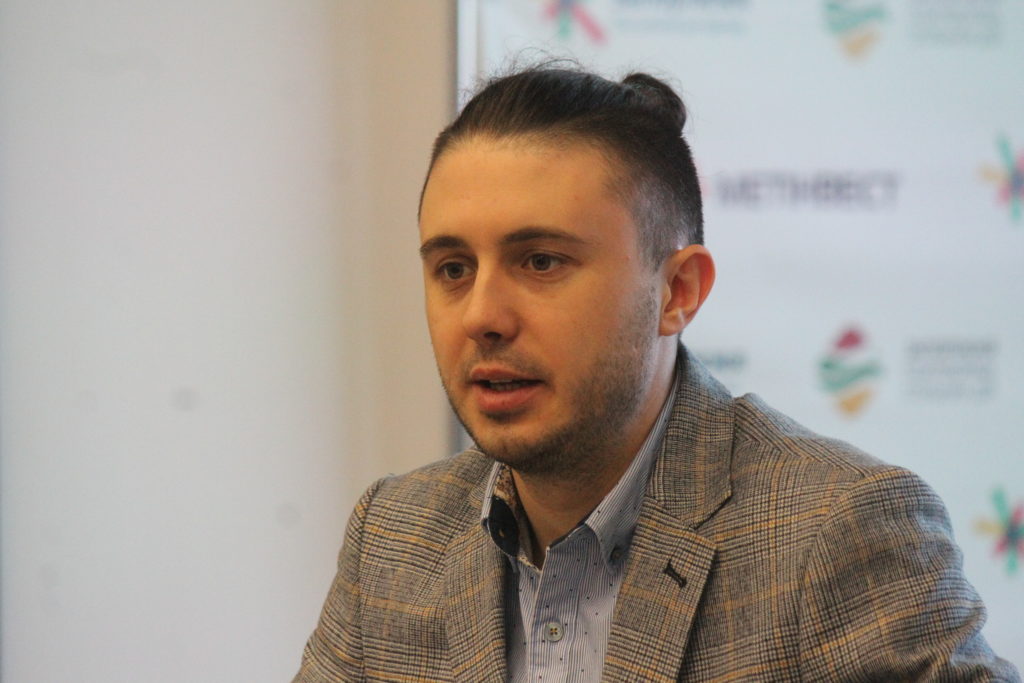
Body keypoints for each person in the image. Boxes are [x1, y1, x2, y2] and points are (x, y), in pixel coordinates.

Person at [294, 66, 1019, 682]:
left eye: (540, 261)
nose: (482, 314)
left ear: (677, 291)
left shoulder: (837, 531)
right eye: (454, 269)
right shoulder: (391, 537)